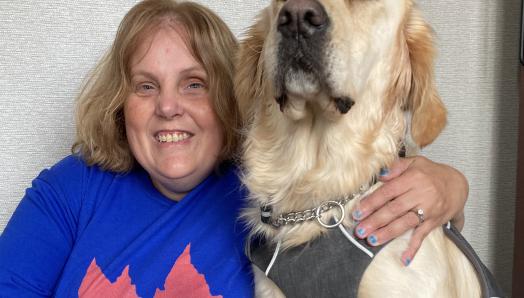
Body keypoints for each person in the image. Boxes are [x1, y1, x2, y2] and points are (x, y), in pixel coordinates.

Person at [0, 0, 469, 297]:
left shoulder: (261, 202)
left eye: (194, 84)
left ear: (235, 93)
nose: (168, 107)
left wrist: (451, 185)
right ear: (119, 102)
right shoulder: (69, 191)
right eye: (145, 86)